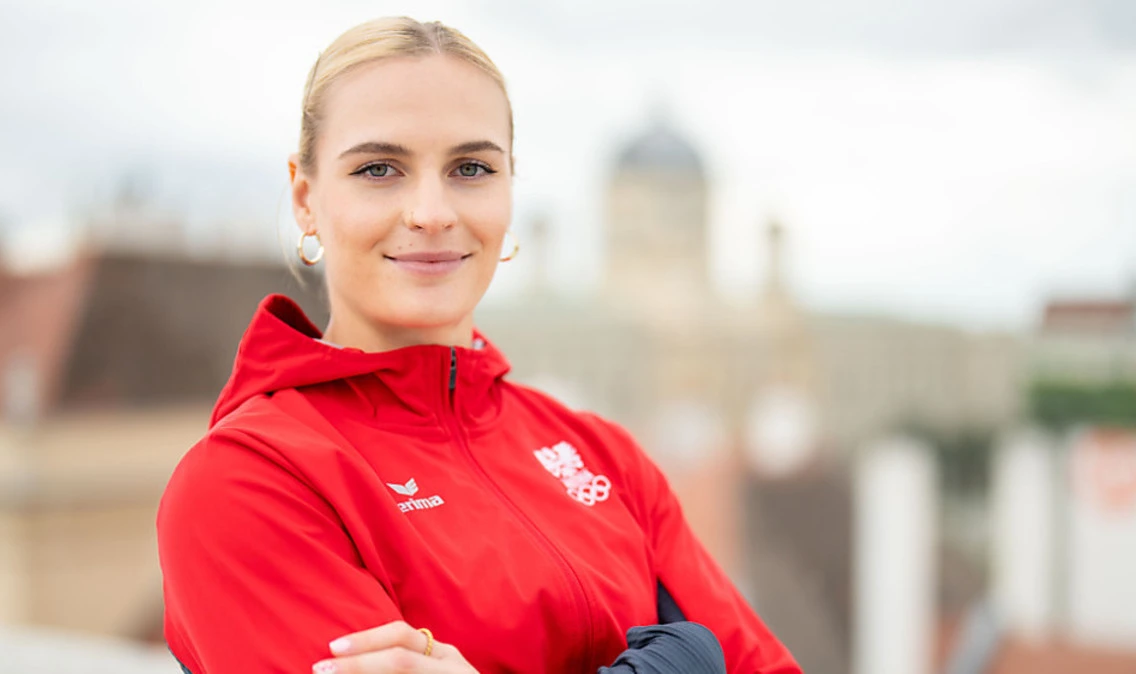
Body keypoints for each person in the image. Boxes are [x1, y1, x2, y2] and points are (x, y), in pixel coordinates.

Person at [156, 16, 800, 674]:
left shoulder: (605, 458)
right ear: (305, 199)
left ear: (509, 190)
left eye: (471, 168)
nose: (432, 213)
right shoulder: (249, 482)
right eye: (379, 169)